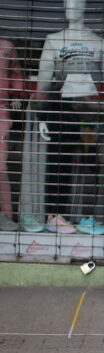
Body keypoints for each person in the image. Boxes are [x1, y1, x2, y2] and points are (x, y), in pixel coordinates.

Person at [25, 0, 104, 234]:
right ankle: (55, 215)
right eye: (67, 3)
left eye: (77, 2)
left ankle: (87, 216)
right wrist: (43, 115)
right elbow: (43, 84)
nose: (70, 7)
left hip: (90, 114)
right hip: (61, 109)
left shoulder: (102, 44)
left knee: (90, 164)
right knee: (59, 164)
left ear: (87, 7)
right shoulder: (54, 40)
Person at [0, 38, 24, 231]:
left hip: (2, 109)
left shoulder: (7, 46)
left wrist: (16, 94)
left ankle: (6, 215)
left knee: (1, 166)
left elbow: (16, 73)